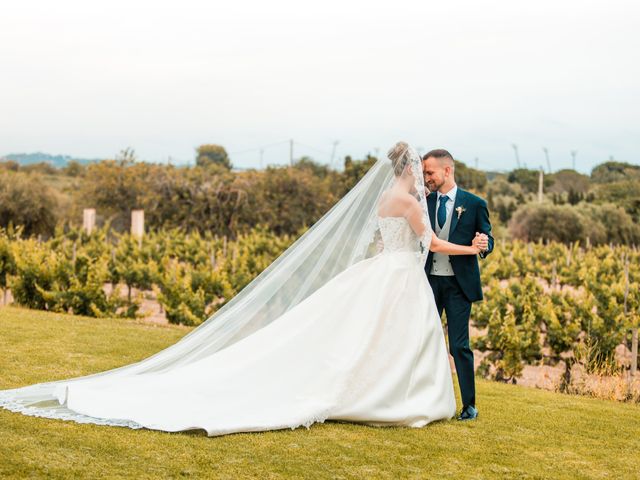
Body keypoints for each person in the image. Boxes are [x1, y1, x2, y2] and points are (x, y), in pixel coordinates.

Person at [0, 142, 484, 437]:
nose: (425, 179)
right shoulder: (410, 201)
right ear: (410, 169)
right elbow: (433, 242)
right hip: (399, 275)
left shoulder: (383, 197)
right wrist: (474, 248)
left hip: (382, 270)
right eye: (420, 171)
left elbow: (382, 238)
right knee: (390, 339)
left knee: (369, 337)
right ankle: (393, 399)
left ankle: (386, 393)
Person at [422, 149, 494, 421]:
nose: (426, 177)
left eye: (430, 172)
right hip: (427, 283)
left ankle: (469, 405)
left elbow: (486, 237)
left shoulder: (474, 204)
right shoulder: (423, 202)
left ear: (447, 171)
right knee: (424, 341)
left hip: (458, 286)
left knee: (459, 346)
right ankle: (424, 399)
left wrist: (486, 245)